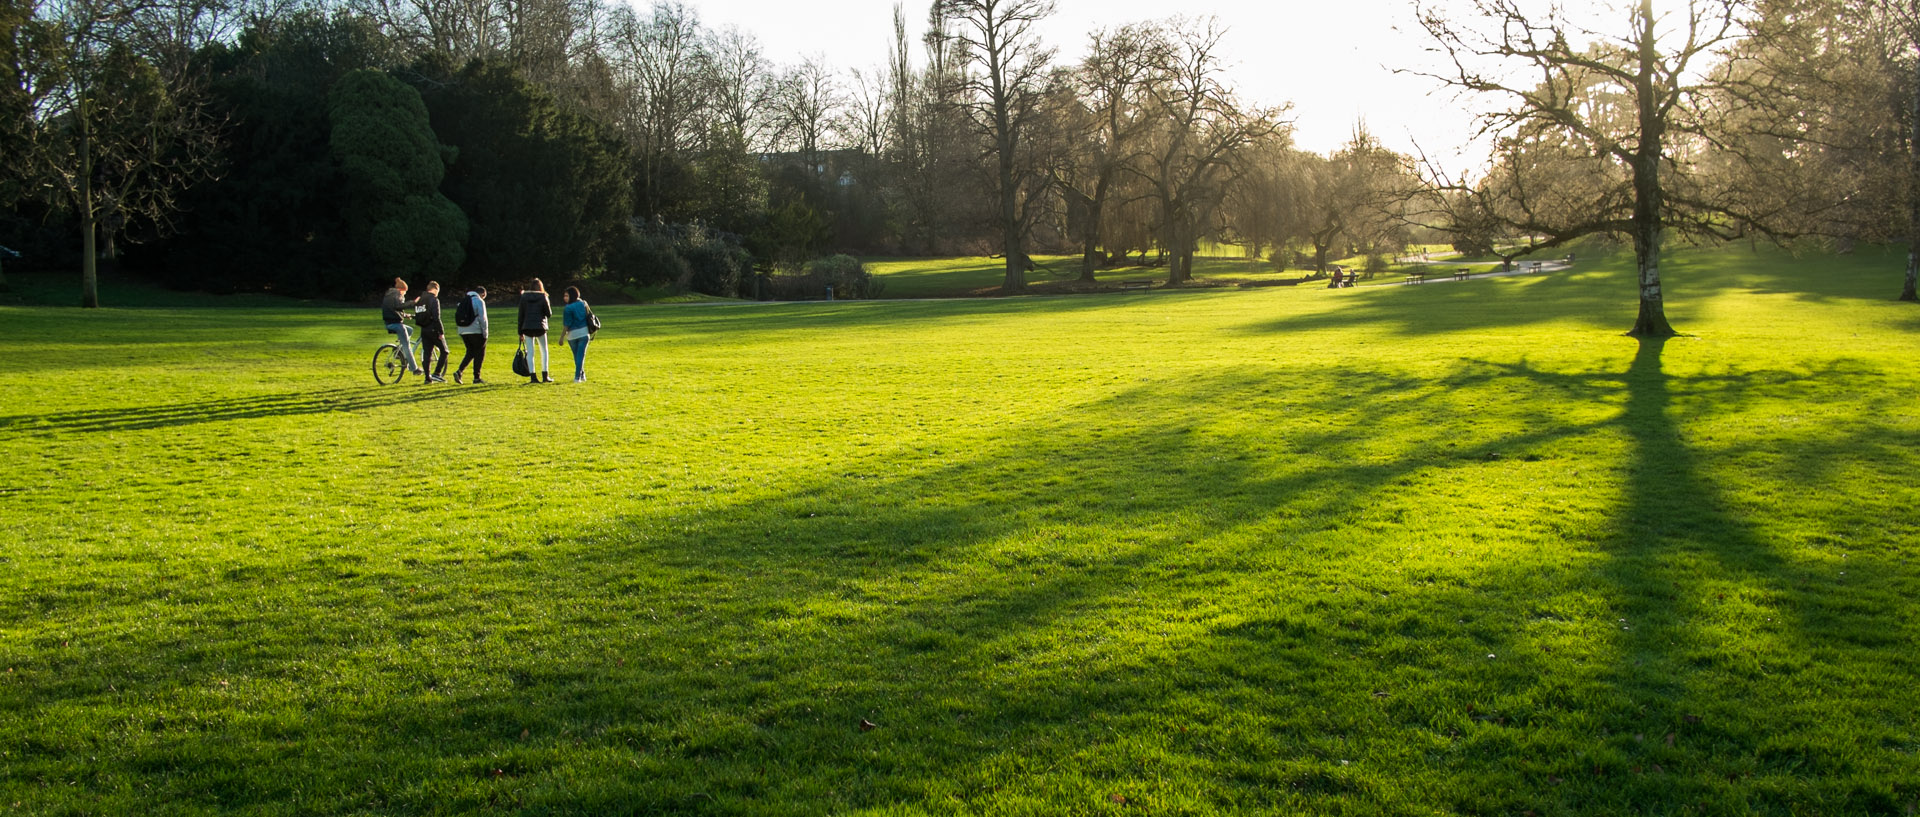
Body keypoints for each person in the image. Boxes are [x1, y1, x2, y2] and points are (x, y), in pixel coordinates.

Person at [380, 278, 423, 375]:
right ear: (401, 290)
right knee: (407, 345)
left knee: (410, 330)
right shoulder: (397, 294)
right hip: (396, 324)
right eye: (405, 292)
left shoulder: (390, 294)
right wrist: (413, 302)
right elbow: (399, 306)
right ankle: (414, 369)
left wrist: (405, 315)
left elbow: (394, 310)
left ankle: (399, 353)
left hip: (389, 323)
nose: (404, 294)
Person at [518, 278, 553, 384]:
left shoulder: (524, 297)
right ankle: (545, 375)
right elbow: (549, 314)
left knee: (530, 352)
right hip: (540, 326)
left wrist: (520, 332)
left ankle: (533, 376)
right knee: (544, 351)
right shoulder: (543, 296)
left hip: (527, 327)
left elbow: (521, 315)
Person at [415, 281, 450, 383]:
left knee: (427, 354)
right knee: (444, 351)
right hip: (433, 329)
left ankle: (427, 378)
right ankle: (437, 373)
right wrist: (441, 332)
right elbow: (436, 317)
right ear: (435, 289)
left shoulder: (420, 300)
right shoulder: (434, 300)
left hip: (424, 330)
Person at [453, 285, 488, 384]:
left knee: (471, 352)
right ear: (482, 294)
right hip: (476, 330)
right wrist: (485, 332)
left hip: (463, 330)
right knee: (480, 353)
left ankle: (459, 371)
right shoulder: (479, 301)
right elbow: (483, 318)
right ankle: (477, 377)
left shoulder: (464, 300)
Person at [561, 286, 592, 383]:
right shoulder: (583, 303)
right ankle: (581, 375)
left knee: (577, 356)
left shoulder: (568, 308)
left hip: (572, 335)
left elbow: (567, 325)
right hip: (584, 332)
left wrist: (561, 337)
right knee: (580, 356)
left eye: (566, 295)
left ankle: (577, 377)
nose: (564, 298)